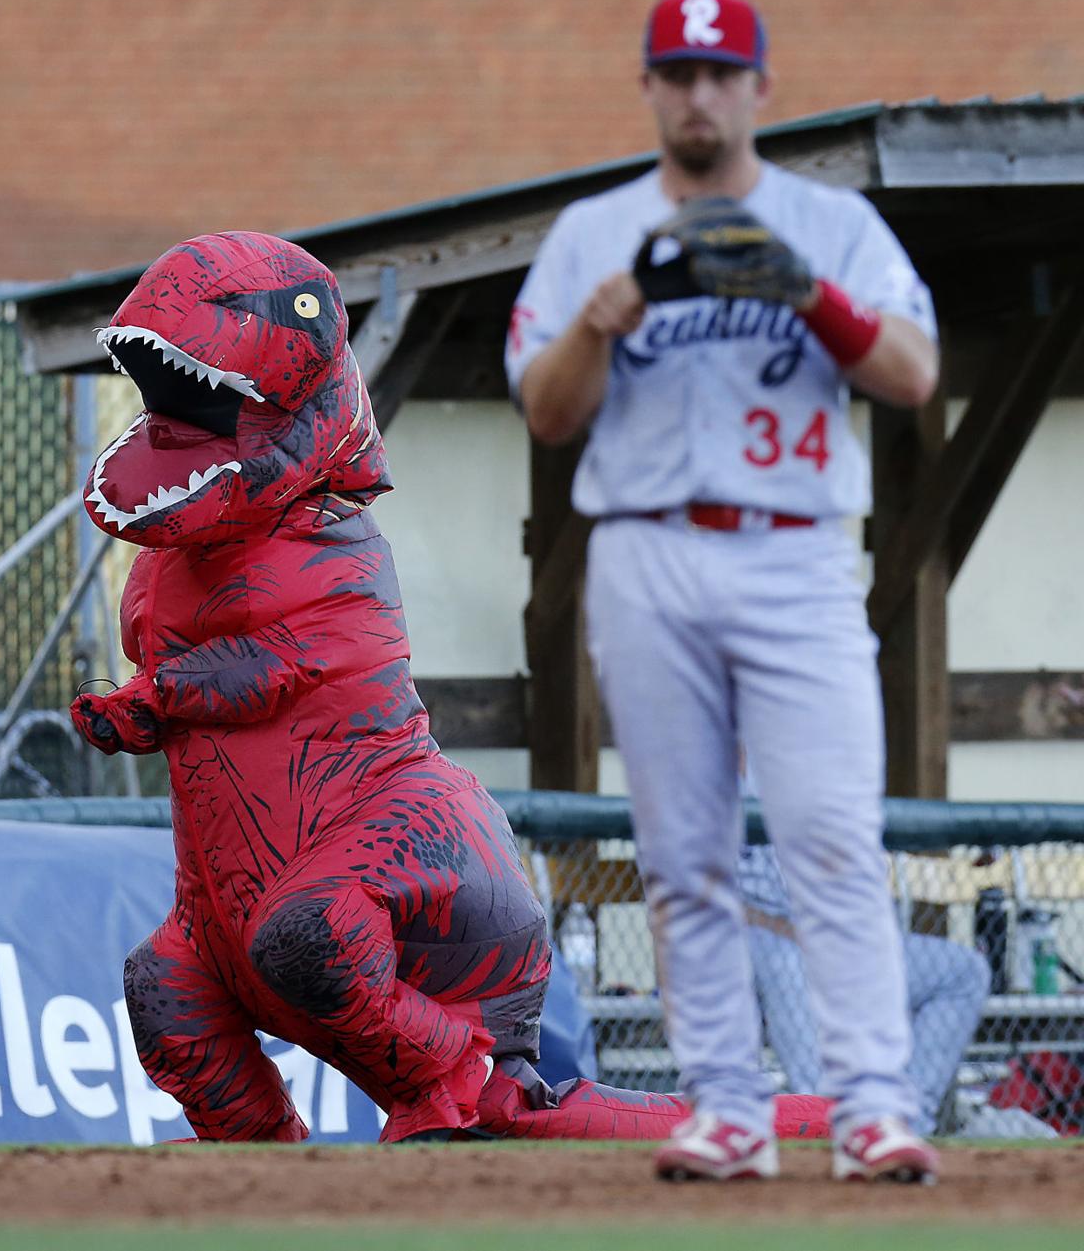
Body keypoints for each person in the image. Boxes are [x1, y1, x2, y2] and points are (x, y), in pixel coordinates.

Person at [70, 230, 831, 1147]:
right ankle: (260, 1156)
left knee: (307, 933)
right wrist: (156, 700)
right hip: (231, 903)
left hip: (416, 870)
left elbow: (289, 665)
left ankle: (451, 1077)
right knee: (165, 989)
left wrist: (162, 696)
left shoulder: (335, 550)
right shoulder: (164, 571)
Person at [505, 0, 941, 1181]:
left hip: (795, 550)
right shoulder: (594, 232)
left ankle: (870, 1103)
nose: (700, 95)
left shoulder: (831, 222)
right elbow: (546, 408)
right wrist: (603, 319)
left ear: (759, 87)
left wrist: (810, 291)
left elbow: (911, 371)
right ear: (649, 86)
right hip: (645, 546)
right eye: (678, 73)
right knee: (681, 847)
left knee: (832, 835)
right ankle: (727, 1107)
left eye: (720, 73)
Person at [740, 843, 991, 1136]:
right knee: (787, 962)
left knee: (964, 971)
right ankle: (821, 1118)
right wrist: (790, 933)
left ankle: (904, 1124)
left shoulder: (825, 801)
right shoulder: (719, 799)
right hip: (760, 938)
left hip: (838, 943)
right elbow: (695, 895)